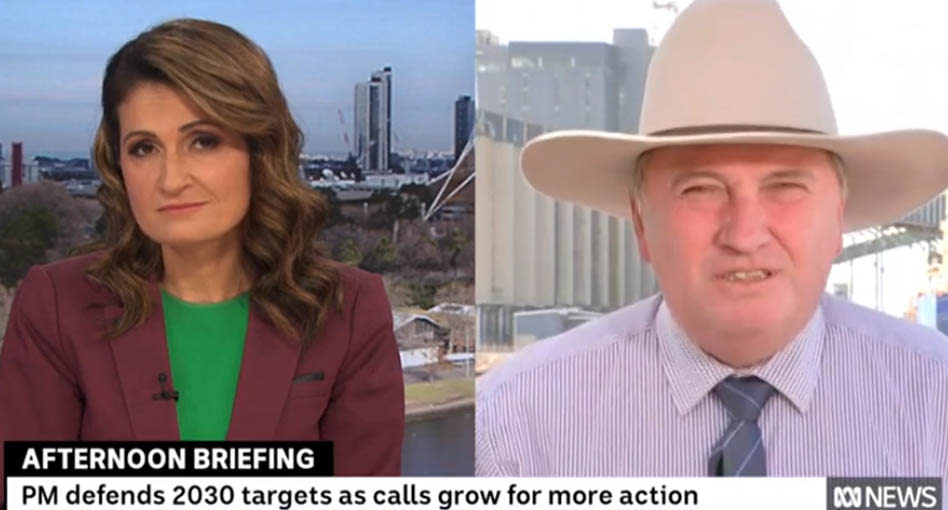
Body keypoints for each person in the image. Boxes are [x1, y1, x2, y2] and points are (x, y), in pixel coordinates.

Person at [476, 0, 948, 477]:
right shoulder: (515, 424)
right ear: (642, 223)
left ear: (838, 215)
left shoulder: (937, 398)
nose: (744, 234)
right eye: (700, 189)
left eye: (785, 187)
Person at [0, 19, 404, 499]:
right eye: (144, 148)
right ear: (119, 164)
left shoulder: (350, 308)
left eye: (203, 141)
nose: (171, 180)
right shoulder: (56, 305)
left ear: (259, 151)